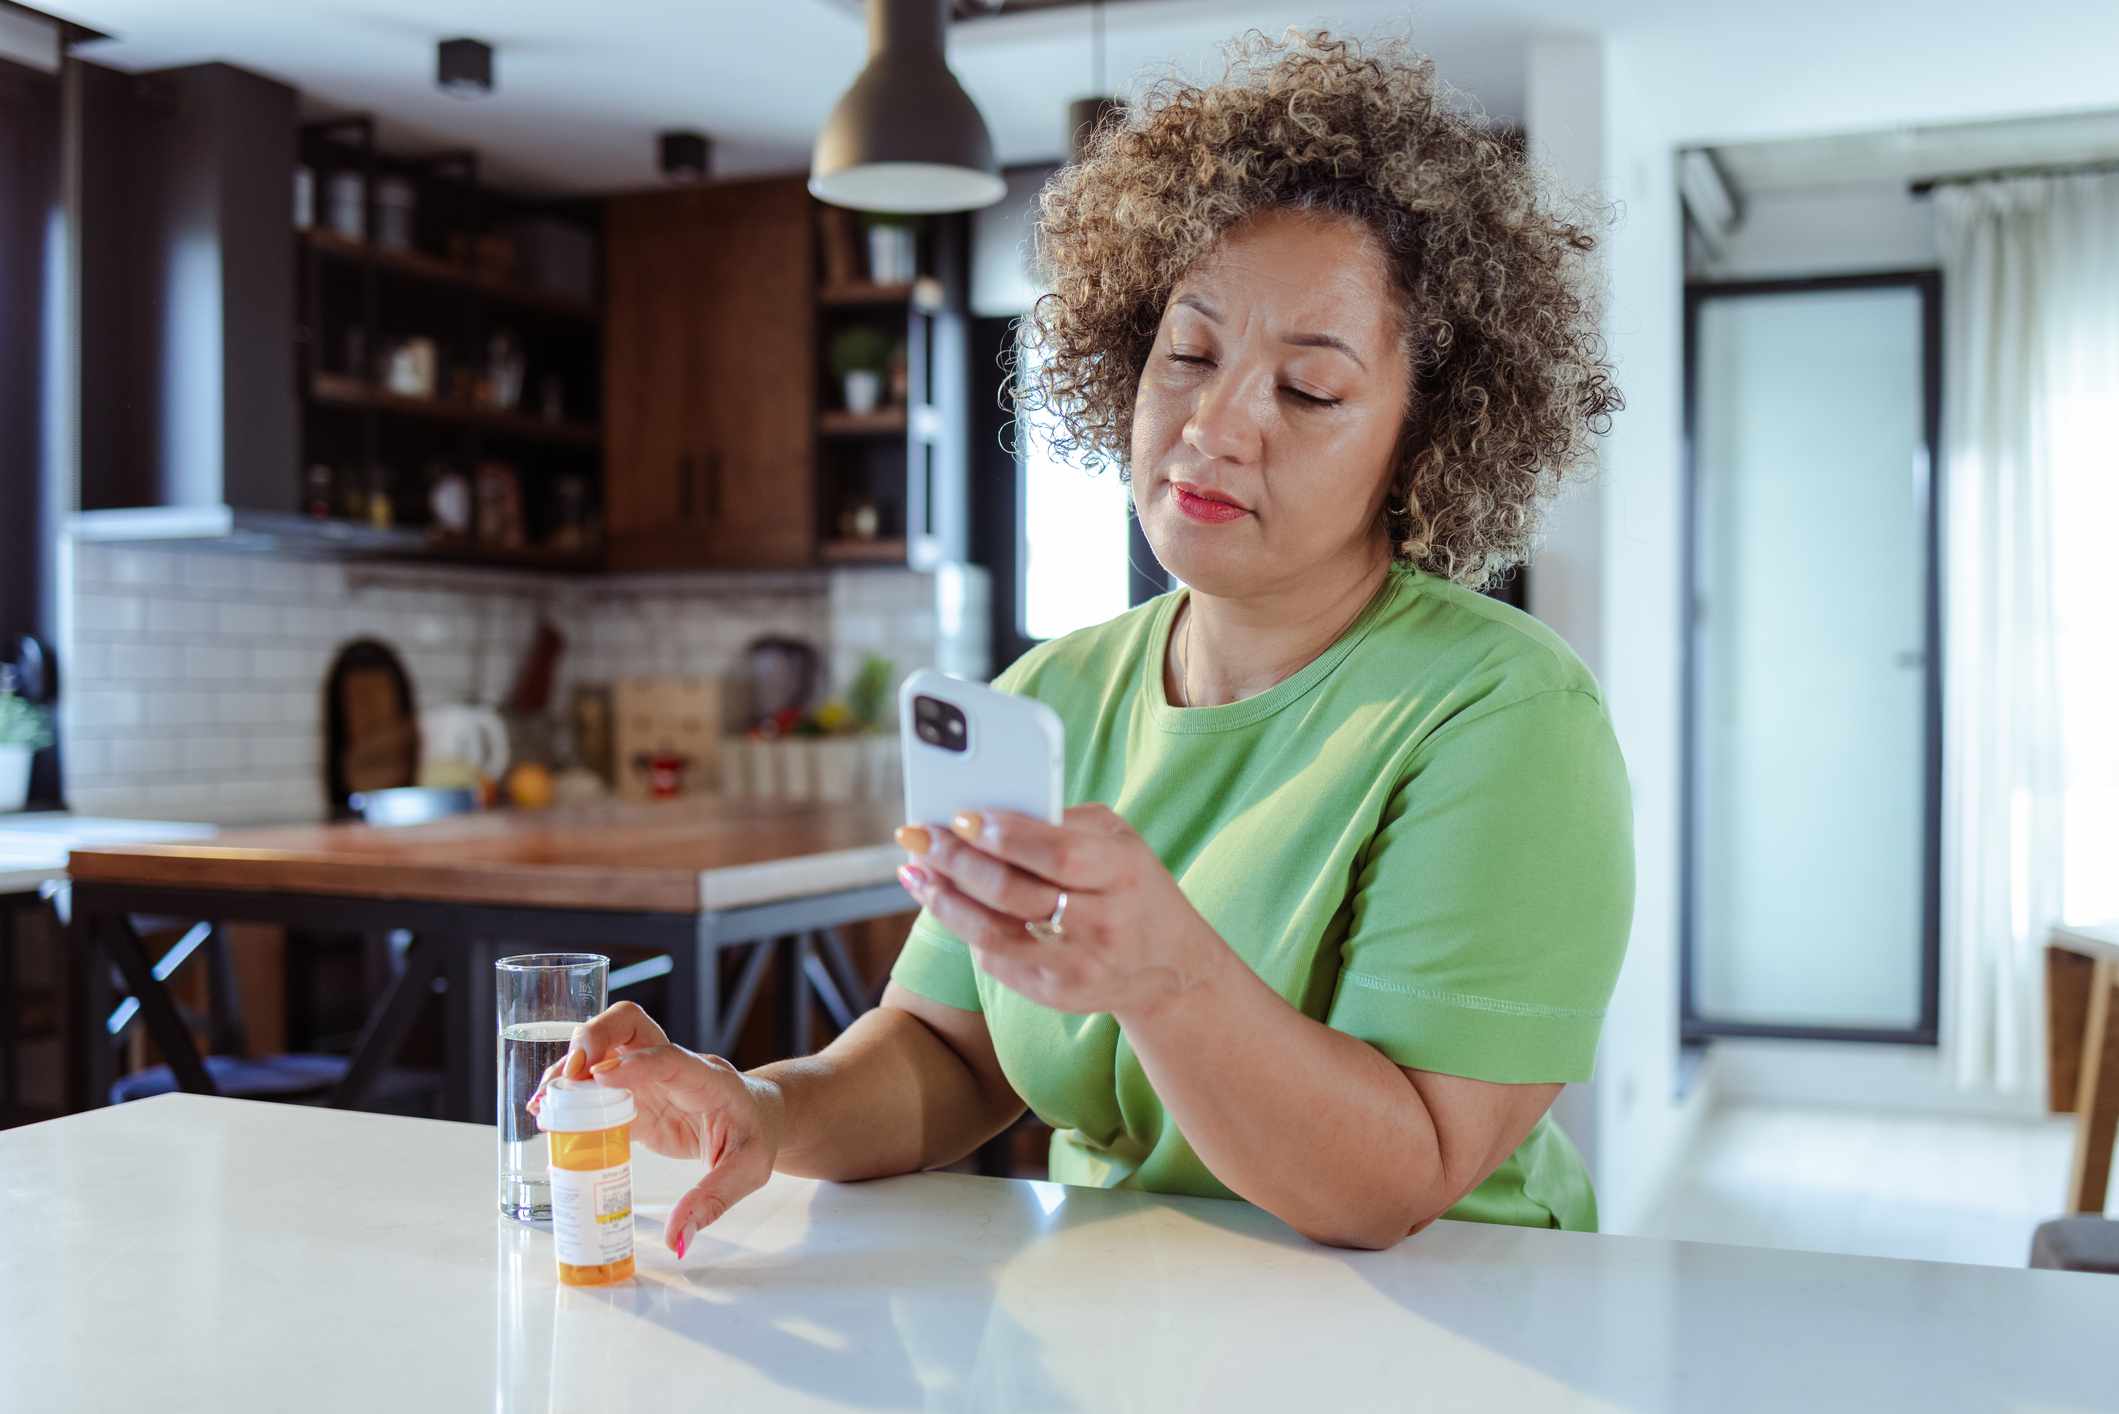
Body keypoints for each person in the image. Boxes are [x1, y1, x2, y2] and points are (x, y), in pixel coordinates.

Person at [538, 29, 1631, 1253]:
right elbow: (948, 1049)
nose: (1212, 425)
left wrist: (1167, 977)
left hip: (1447, 1327)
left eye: (1307, 389)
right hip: (1125, 1324)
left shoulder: (1503, 713)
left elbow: (1399, 1181)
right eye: (1189, 353)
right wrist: (764, 1107)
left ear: (1423, 440)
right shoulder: (1052, 690)